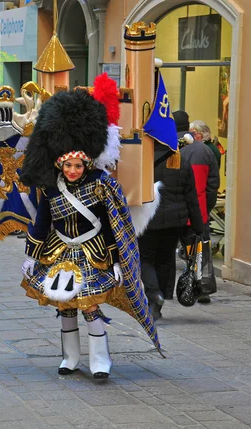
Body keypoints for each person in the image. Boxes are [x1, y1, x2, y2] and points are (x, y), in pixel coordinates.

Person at [19, 88, 161, 379]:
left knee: (90, 306)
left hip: (93, 254)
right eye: (68, 165)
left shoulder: (102, 184)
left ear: (87, 163)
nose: (72, 170)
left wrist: (118, 261)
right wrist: (32, 255)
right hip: (58, 252)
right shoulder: (50, 186)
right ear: (60, 163)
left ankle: (100, 360)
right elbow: (42, 222)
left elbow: (113, 226)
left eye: (78, 165)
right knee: (66, 308)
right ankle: (70, 358)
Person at [138, 144, 204, 319]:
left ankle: (154, 295)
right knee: (165, 260)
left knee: (145, 259)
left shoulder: (143, 160)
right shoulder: (181, 161)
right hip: (176, 221)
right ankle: (157, 307)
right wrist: (198, 226)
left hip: (148, 219)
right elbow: (191, 197)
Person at [181, 120, 220, 304]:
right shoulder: (206, 152)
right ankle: (201, 287)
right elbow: (213, 185)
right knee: (200, 249)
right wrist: (207, 206)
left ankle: (164, 292)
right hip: (200, 210)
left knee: (167, 252)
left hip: (178, 210)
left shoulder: (174, 149)